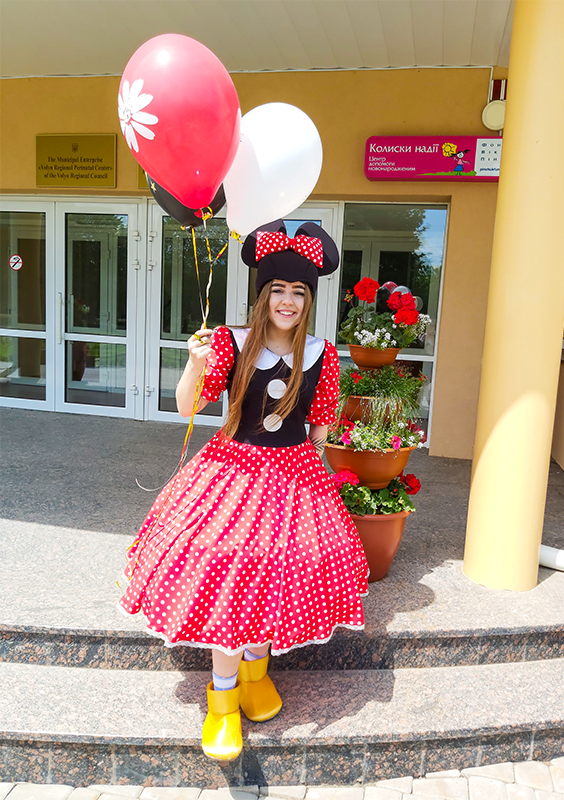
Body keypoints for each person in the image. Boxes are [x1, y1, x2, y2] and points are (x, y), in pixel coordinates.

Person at [118, 220, 369, 761]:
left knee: (280, 572)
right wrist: (194, 363)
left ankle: (257, 674)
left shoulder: (322, 353)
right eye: (278, 289)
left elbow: (320, 426)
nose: (287, 301)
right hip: (233, 473)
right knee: (231, 575)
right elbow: (187, 407)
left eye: (298, 291)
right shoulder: (231, 343)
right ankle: (223, 702)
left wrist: (319, 488)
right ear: (262, 295)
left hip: (295, 477)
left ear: (309, 299)